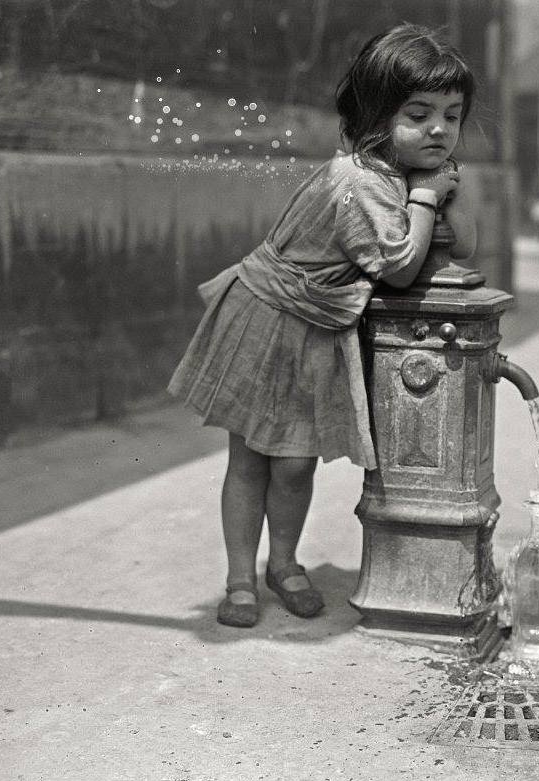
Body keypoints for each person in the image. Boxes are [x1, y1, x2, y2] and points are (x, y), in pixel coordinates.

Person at [167, 25, 477, 627]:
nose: (439, 129)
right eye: (419, 114)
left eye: (452, 114)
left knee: (295, 462)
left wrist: (434, 192)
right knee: (252, 458)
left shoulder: (397, 175)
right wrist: (429, 198)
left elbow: (460, 246)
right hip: (266, 320)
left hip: (314, 326)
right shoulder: (361, 182)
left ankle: (283, 566)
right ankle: (239, 581)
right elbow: (400, 265)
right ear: (376, 116)